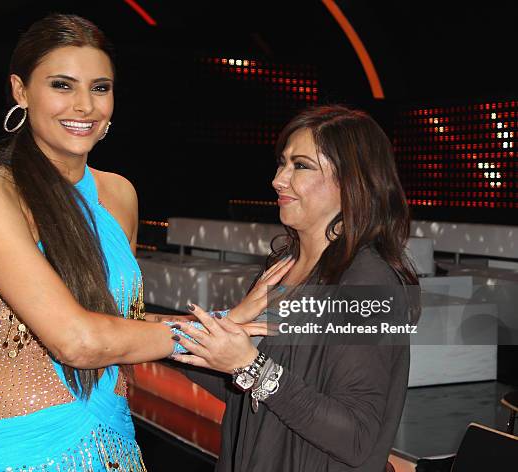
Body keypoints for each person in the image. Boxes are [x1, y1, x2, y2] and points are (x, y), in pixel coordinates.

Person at [0, 14, 277, 471]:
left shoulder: (119, 194)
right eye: (62, 86)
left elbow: (120, 324)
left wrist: (222, 323)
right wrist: (198, 334)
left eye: (100, 88)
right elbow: (79, 340)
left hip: (114, 439)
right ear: (21, 91)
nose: (84, 105)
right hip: (20, 447)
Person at [171, 105, 420, 471]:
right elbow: (250, 392)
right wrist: (157, 342)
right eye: (282, 163)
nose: (278, 180)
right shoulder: (283, 267)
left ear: (352, 182)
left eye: (300, 165)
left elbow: (357, 437)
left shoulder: (368, 283)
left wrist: (251, 366)